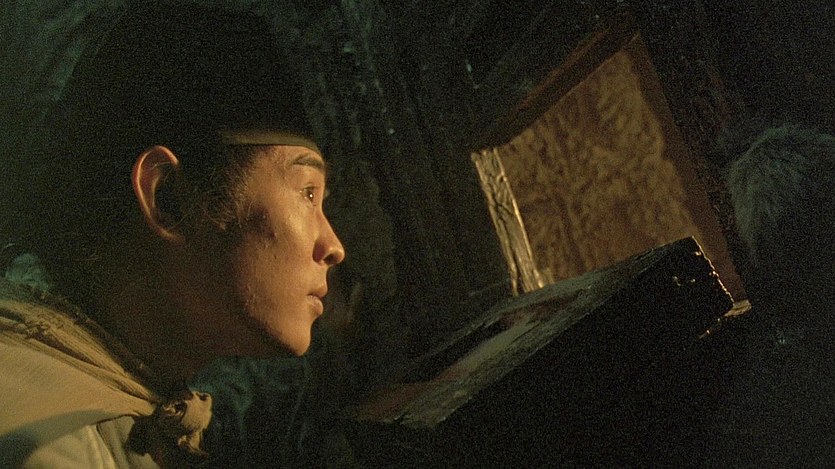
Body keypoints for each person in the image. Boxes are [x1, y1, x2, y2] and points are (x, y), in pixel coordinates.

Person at [0, 2, 345, 467]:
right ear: (169, 199)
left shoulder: (110, 397)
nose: (334, 246)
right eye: (307, 193)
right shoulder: (48, 449)